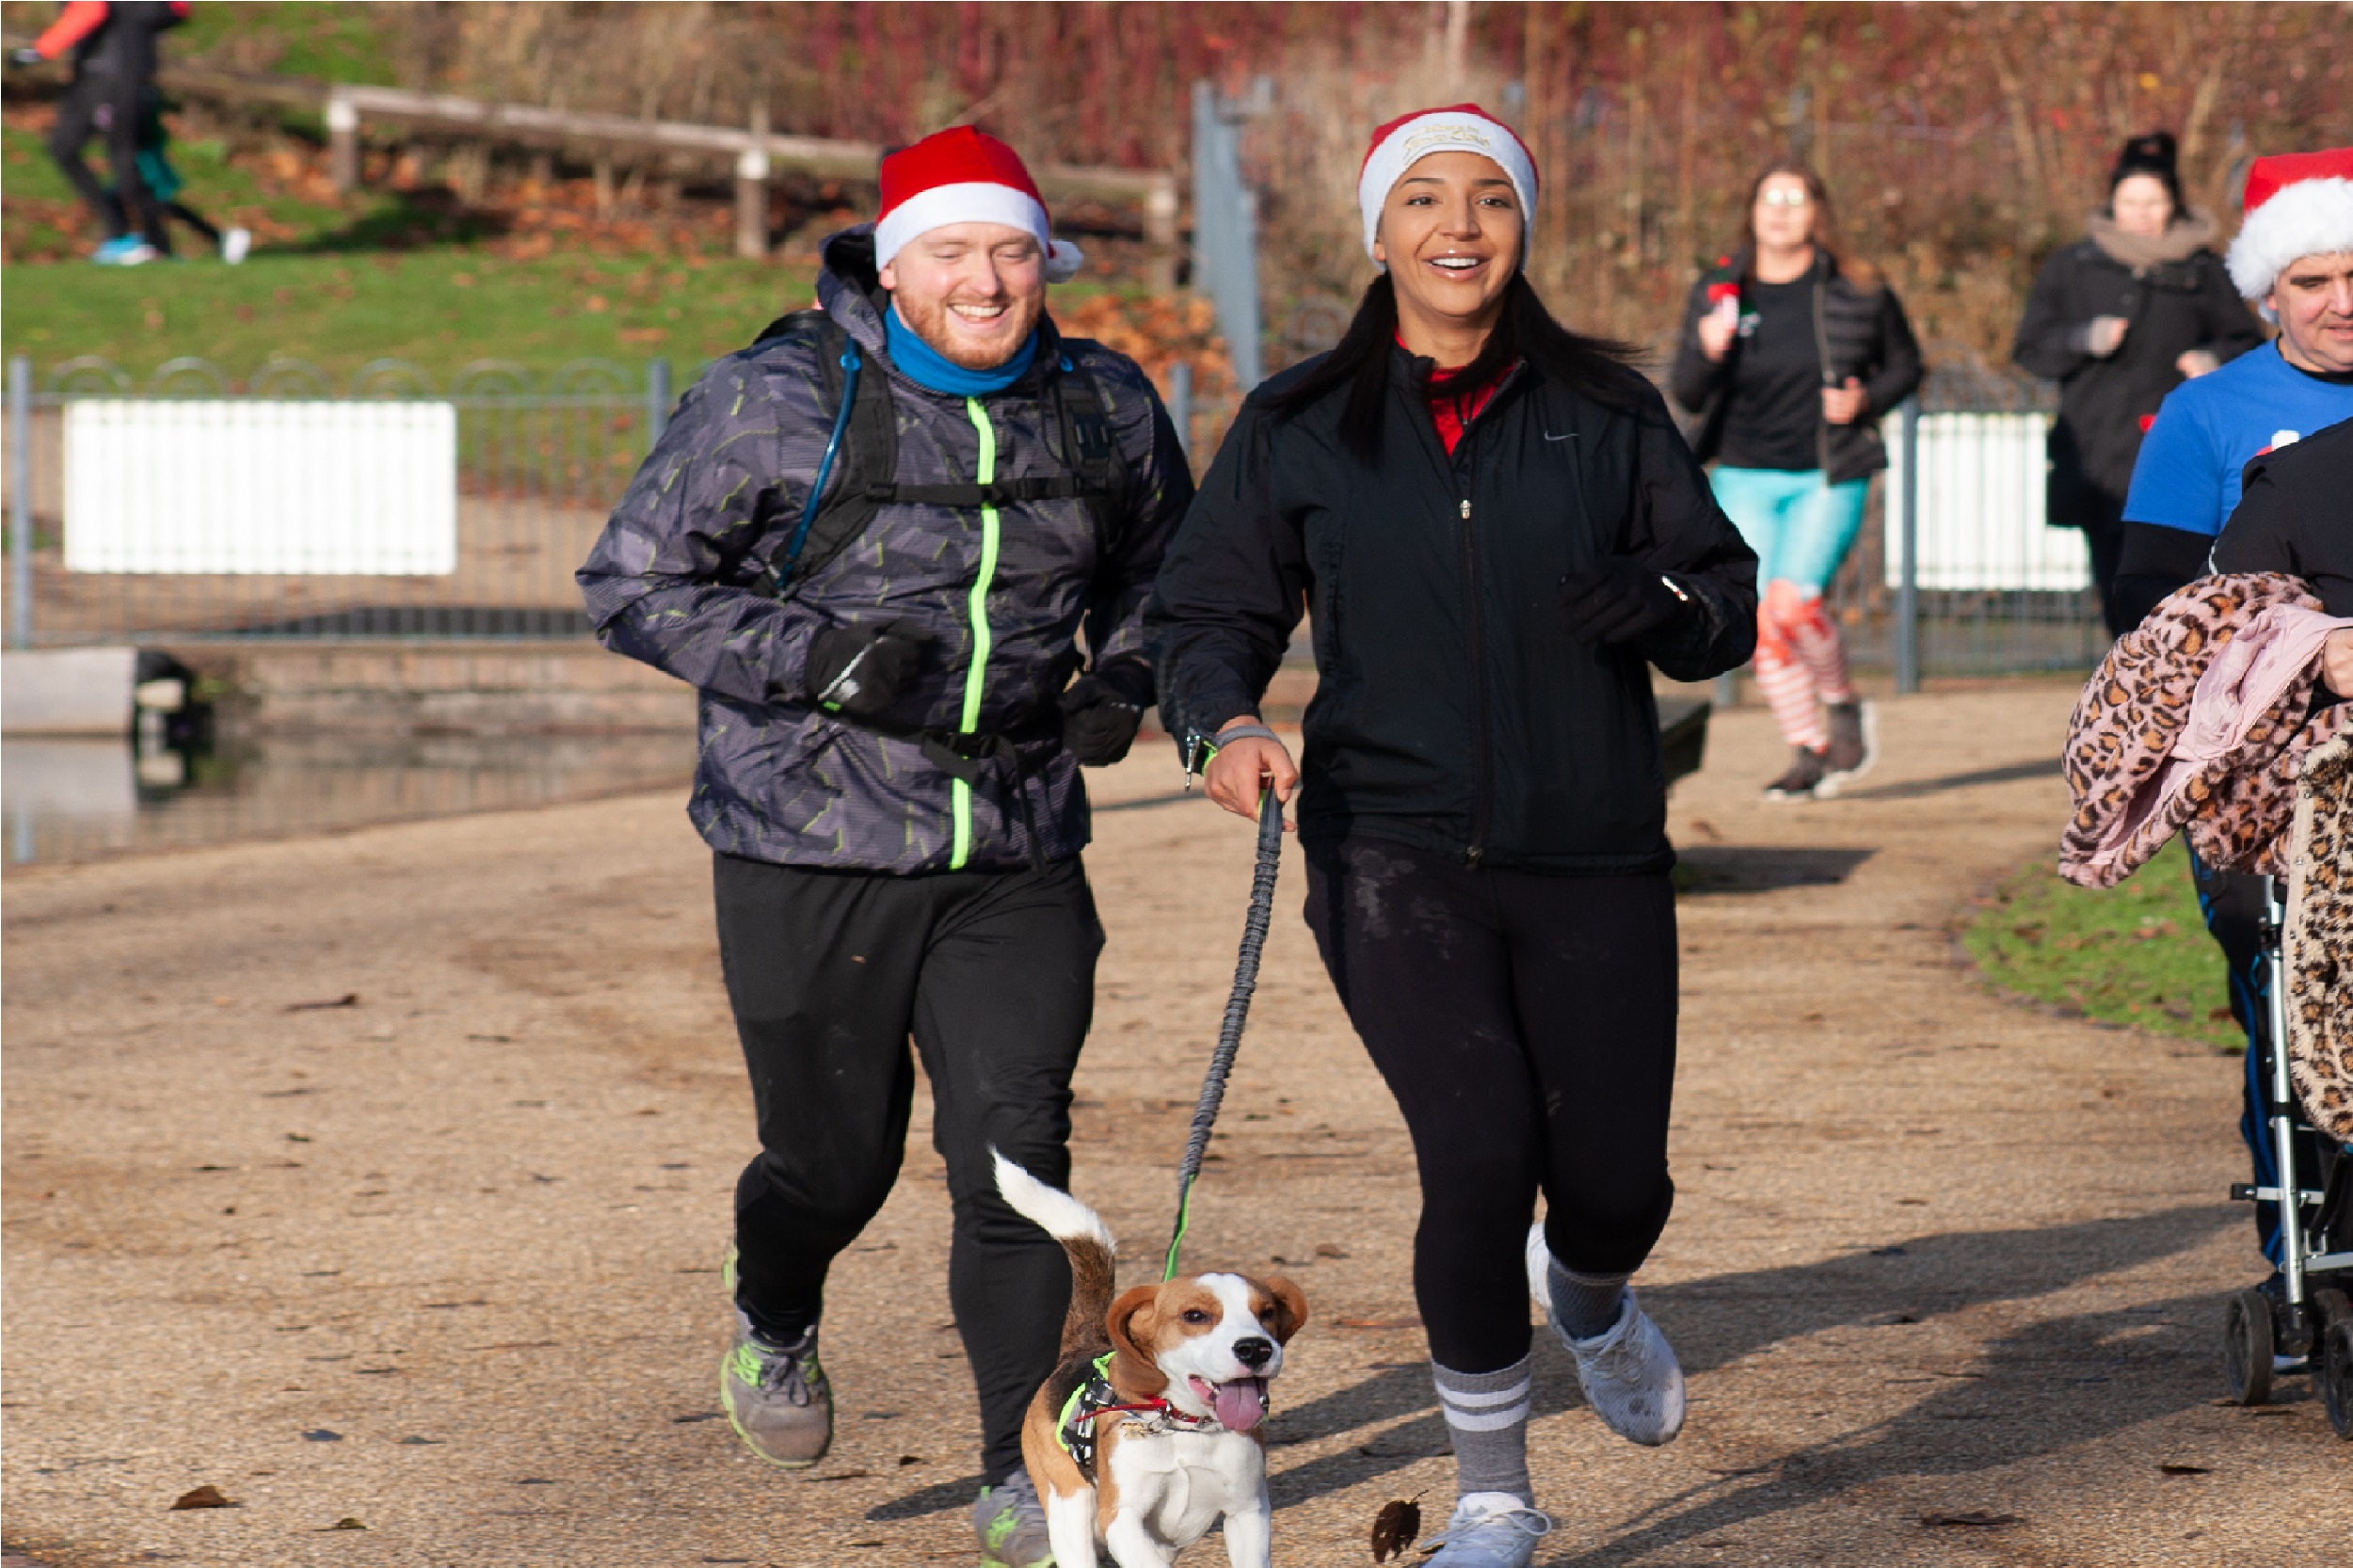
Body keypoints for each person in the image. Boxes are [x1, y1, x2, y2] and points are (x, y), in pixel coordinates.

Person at [1149, 105, 1757, 1567]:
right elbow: (1205, 611)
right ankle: (1494, 1495)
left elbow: (1720, 596)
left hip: (1594, 842)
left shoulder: (1607, 410)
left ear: (1522, 225)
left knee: (1618, 1183)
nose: (1458, 226)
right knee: (1479, 1153)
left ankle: (1594, 1294)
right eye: (1423, 199)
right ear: (1379, 232)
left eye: (1489, 198)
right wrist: (1223, 725)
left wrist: (1667, 609)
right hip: (1388, 845)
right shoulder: (1302, 420)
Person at [577, 126, 1193, 1568]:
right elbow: (634, 581)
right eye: (953, 252)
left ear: (1049, 259)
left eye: (1012, 250)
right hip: (810, 839)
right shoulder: (778, 394)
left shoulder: (1099, 399)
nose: (985, 280)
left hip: (1017, 841)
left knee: (1015, 1163)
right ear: (893, 260)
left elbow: (1175, 565)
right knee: (830, 1162)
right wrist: (825, 663)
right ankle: (775, 1307)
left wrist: (1132, 671)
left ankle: (1017, 1465)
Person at [2108, 146, 2353, 1297]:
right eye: (2311, 280)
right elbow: (2149, 608)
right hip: (2268, 775)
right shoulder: (2208, 416)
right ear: (2267, 293)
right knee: (2286, 998)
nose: (2340, 301)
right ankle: (2301, 1242)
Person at [1669, 163, 1921, 801]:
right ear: (1751, 212)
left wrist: (1865, 401)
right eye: (1768, 199)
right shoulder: (1720, 292)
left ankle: (1842, 706)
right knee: (1759, 618)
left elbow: (1907, 366)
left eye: (1795, 199)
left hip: (1827, 473)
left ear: (1817, 212)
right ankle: (1808, 749)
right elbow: (1689, 391)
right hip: (1744, 476)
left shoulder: (1857, 289)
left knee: (1793, 603)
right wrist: (1707, 347)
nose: (1780, 211)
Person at [2012, 132, 2262, 635]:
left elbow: (2249, 344)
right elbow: (2030, 349)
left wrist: (2214, 357)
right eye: (2131, 202)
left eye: (2154, 201)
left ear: (2173, 203)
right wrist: (2084, 338)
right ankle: (2130, 676)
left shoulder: (2204, 269)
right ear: (2113, 202)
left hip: (2184, 449)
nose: (2143, 213)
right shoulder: (2074, 265)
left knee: (2184, 574)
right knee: (2116, 581)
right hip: (2099, 453)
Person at [12, 0, 189, 265]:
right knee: (72, 149)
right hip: (105, 75)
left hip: (111, 77)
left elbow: (91, 9)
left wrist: (41, 49)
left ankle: (146, 242)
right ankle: (133, 237)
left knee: (120, 159)